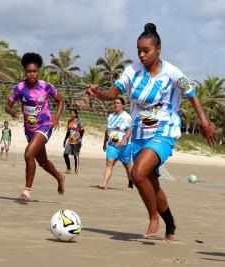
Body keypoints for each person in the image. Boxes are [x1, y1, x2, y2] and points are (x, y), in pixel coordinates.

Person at [87, 23, 217, 243]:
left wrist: (204, 122)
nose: (141, 54)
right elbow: (113, 93)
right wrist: (99, 93)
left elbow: (192, 94)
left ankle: (153, 218)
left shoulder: (172, 72)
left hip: (164, 129)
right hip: (139, 132)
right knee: (152, 185)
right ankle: (170, 223)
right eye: (138, 50)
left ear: (158, 49)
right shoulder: (131, 71)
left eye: (146, 50)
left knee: (137, 174)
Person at [5, 52, 65, 201]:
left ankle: (27, 191)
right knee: (43, 162)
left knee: (28, 154)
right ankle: (59, 177)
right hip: (29, 130)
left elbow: (60, 101)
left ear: (38, 71)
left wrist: (56, 118)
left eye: (34, 71)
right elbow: (7, 106)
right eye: (29, 71)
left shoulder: (46, 86)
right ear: (24, 72)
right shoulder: (19, 88)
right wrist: (11, 112)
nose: (32, 74)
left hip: (45, 126)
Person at [98, 97, 133, 190]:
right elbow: (107, 130)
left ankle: (130, 182)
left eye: (118, 103)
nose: (115, 104)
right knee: (109, 163)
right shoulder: (110, 116)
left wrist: (124, 140)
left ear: (123, 105)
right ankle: (104, 184)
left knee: (127, 165)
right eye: (114, 103)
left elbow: (129, 130)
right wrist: (104, 142)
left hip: (124, 146)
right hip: (112, 145)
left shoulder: (127, 117)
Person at [63, 108, 84, 174]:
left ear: (76, 114)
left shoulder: (79, 121)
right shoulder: (69, 121)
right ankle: (68, 169)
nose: (72, 114)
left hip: (77, 140)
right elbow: (68, 132)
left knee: (76, 155)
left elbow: (82, 130)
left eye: (73, 113)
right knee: (65, 154)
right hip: (70, 140)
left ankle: (76, 170)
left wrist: (80, 138)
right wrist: (65, 140)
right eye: (71, 113)